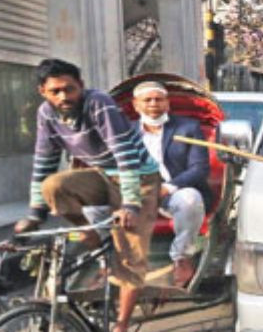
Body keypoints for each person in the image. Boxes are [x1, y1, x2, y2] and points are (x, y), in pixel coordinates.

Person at [15, 59, 161, 332]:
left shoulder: (99, 104)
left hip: (139, 178)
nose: (63, 97)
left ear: (80, 86)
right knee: (54, 186)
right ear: (42, 91)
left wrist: (131, 204)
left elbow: (125, 155)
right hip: (101, 175)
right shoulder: (46, 114)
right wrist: (35, 213)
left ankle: (120, 328)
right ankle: (94, 241)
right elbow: (44, 162)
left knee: (129, 253)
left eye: (69, 89)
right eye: (55, 91)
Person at [81, 81, 208, 288]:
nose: (153, 104)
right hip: (131, 194)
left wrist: (167, 188)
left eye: (158, 99)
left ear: (167, 103)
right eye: (147, 100)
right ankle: (106, 261)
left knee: (191, 199)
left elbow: (199, 169)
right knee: (91, 209)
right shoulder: (122, 132)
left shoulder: (188, 128)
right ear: (136, 105)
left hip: (170, 192)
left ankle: (182, 257)